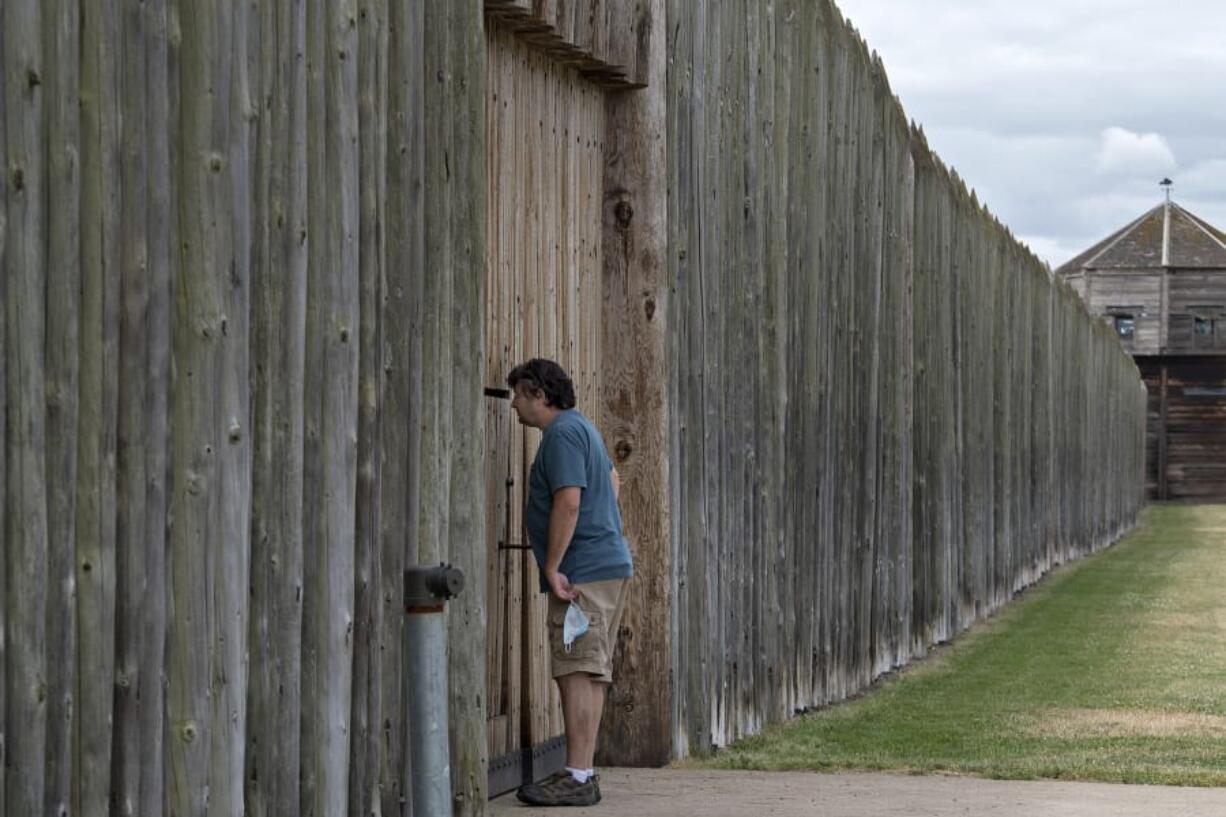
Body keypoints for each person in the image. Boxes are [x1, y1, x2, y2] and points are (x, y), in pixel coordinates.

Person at [508, 358, 633, 808]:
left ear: (539, 395)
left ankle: (579, 776)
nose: (515, 405)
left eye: (518, 395)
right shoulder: (583, 428)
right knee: (591, 671)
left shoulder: (560, 435)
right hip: (606, 564)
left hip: (582, 573)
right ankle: (582, 770)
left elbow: (568, 500)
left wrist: (553, 565)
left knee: (577, 668)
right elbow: (612, 481)